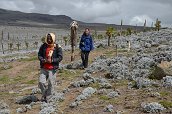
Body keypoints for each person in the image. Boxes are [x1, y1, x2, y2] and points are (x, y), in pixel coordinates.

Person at [38, 33, 63, 102]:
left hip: (53, 68)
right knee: (41, 82)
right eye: (48, 38)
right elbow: (39, 55)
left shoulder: (58, 47)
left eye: (50, 38)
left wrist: (52, 60)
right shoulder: (43, 46)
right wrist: (42, 60)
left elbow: (60, 57)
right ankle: (45, 94)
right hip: (44, 67)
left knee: (51, 83)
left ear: (53, 39)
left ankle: (48, 98)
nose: (49, 40)